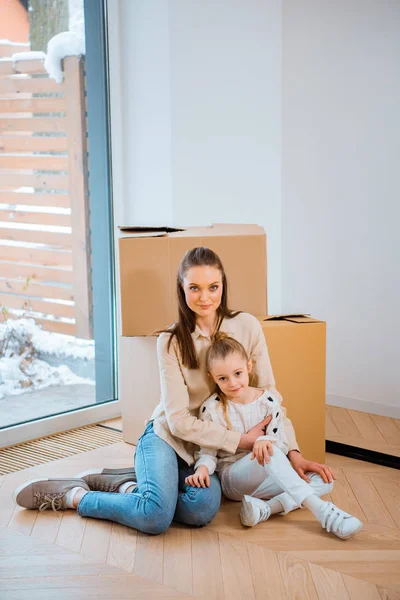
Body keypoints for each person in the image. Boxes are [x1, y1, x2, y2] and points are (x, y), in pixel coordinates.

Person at [14, 247, 335, 535]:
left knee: (200, 510)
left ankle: (127, 484)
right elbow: (179, 420)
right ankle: (76, 497)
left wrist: (294, 453)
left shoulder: (248, 326)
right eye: (194, 287)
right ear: (182, 289)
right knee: (155, 517)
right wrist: (242, 440)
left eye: (213, 287)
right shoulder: (169, 340)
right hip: (170, 438)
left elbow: (270, 398)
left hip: (209, 453)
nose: (205, 297)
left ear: (224, 286)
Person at [185, 333, 363, 539]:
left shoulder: (268, 401)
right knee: (269, 452)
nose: (232, 383)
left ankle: (265, 509)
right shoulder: (212, 408)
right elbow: (208, 450)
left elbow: (282, 444)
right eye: (223, 378)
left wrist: (264, 442)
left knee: (324, 481)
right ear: (211, 377)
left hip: (268, 475)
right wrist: (203, 470)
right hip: (233, 479)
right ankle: (323, 512)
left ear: (248, 367)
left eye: (238, 373)